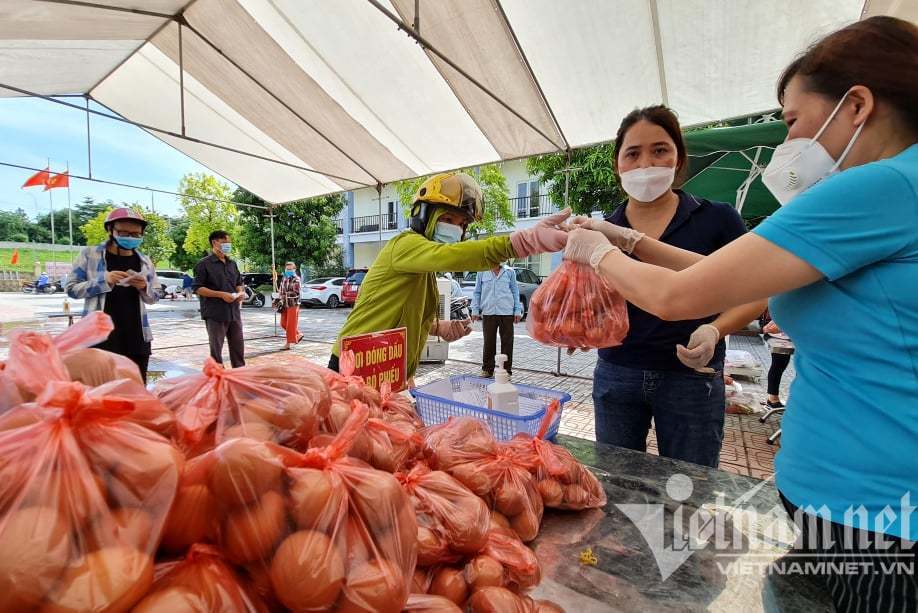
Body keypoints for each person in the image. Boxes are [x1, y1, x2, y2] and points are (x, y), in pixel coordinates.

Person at [564, 16, 917, 609]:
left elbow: (686, 294)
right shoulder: (895, 189)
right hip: (858, 502)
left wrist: (598, 252)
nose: (788, 144)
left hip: (879, 512)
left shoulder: (875, 187)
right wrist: (626, 241)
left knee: (683, 505)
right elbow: (723, 271)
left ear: (856, 106)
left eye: (793, 121)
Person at [571, 105, 766, 468]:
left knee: (689, 488)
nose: (645, 163)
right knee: (618, 486)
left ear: (678, 159)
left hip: (692, 380)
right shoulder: (603, 231)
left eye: (659, 150)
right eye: (633, 153)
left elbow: (754, 292)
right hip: (618, 372)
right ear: (618, 165)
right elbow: (594, 300)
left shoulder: (717, 218)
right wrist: (582, 328)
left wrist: (714, 329)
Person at [330, 171, 569, 381]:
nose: (456, 228)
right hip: (353, 362)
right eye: (446, 219)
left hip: (385, 366)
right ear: (424, 216)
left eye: (462, 223)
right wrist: (523, 242)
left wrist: (437, 327)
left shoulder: (423, 268)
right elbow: (456, 255)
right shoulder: (405, 245)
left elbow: (403, 313)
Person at [66, 208, 158, 382]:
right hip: (99, 338)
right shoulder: (90, 255)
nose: (130, 237)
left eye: (136, 234)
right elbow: (71, 289)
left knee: (136, 390)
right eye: (124, 232)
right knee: (100, 391)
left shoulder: (144, 261)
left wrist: (144, 287)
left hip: (137, 336)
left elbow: (154, 296)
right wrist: (104, 280)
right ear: (110, 230)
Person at [193, 230, 245, 368]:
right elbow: (198, 288)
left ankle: (239, 375)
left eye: (229, 242)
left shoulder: (232, 263)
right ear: (215, 242)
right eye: (225, 242)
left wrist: (240, 292)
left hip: (233, 311)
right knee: (216, 350)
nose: (228, 245)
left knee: (238, 346)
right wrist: (221, 294)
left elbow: (239, 283)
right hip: (215, 313)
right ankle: (218, 378)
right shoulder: (203, 264)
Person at [471, 262, 522, 377]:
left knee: (507, 343)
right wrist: (475, 310)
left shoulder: (509, 272)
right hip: (489, 312)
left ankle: (506, 371)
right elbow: (477, 292)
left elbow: (515, 292)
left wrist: (517, 310)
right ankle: (488, 369)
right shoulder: (482, 272)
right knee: (488, 342)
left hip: (507, 312)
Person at [760, 309, 794, 409]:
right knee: (779, 365)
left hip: (797, 334)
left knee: (802, 369)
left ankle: (797, 401)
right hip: (779, 335)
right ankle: (772, 399)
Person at [277, 261, 303, 350]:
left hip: (293, 304)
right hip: (284, 304)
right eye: (287, 269)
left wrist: (285, 295)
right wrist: (279, 298)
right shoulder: (284, 278)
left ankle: (288, 344)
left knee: (290, 325)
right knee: (283, 323)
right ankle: (298, 334)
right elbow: (281, 290)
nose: (288, 270)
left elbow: (296, 292)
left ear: (294, 269)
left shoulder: (297, 279)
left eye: (290, 269)